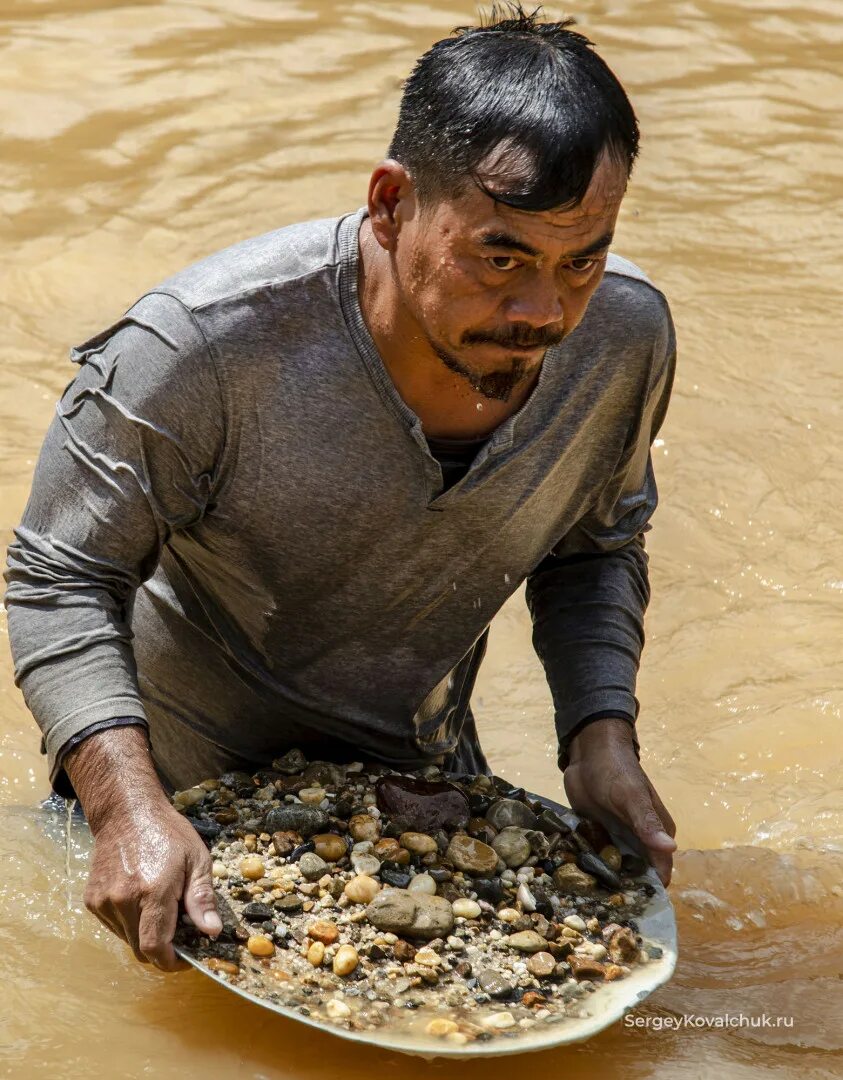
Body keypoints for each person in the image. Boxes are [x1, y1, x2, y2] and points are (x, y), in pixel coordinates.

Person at [4, 7, 678, 972]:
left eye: (582, 258)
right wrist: (126, 810)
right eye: (501, 256)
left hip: (425, 791)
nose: (544, 311)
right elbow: (60, 577)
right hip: (170, 820)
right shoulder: (200, 347)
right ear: (391, 203)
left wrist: (598, 736)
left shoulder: (622, 338)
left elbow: (595, 545)